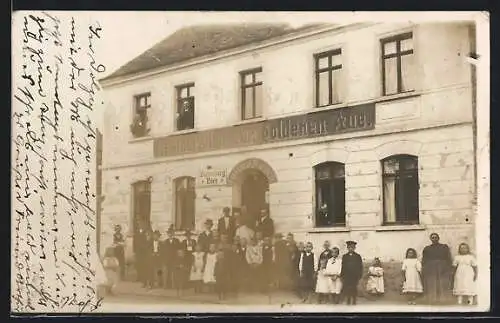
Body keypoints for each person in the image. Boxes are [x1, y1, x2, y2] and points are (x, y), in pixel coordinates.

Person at [422, 233, 453, 305]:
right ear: (430, 239)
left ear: (438, 238)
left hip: (442, 267)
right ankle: (433, 299)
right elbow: (424, 259)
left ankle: (443, 299)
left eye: (436, 237)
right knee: (432, 283)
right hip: (431, 268)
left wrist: (449, 267)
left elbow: (448, 257)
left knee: (442, 283)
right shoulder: (427, 248)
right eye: (432, 238)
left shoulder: (444, 247)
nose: (434, 239)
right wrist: (425, 268)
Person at [340, 240, 363, 305]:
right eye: (349, 247)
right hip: (347, 275)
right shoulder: (345, 256)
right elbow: (343, 266)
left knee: (354, 287)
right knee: (347, 287)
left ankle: (354, 300)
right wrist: (342, 275)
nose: (351, 249)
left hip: (354, 275)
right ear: (347, 248)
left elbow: (360, 266)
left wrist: (359, 275)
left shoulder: (358, 256)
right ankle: (348, 300)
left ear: (354, 248)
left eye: (352, 247)